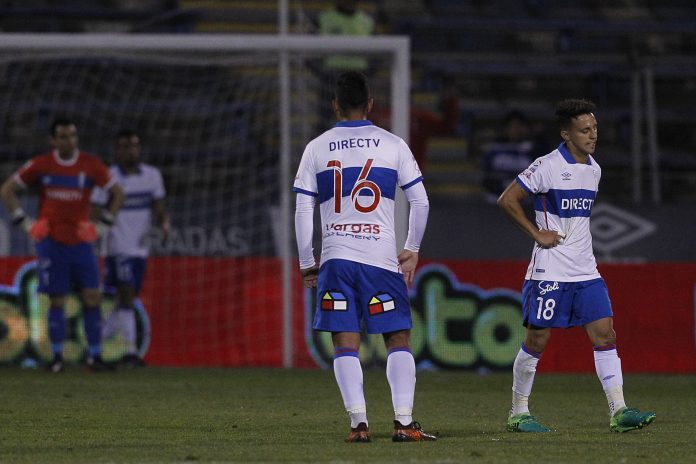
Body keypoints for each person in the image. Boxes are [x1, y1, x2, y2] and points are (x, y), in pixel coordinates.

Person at [497, 99, 656, 433]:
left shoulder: (594, 170)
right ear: (566, 134)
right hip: (550, 270)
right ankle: (518, 412)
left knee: (605, 333)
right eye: (585, 130)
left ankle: (619, 410)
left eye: (594, 128)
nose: (592, 135)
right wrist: (536, 232)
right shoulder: (547, 166)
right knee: (537, 340)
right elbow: (507, 200)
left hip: (586, 271)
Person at [293, 71, 436, 443]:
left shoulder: (317, 147)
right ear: (371, 104)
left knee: (344, 343)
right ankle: (403, 423)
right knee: (397, 338)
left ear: (335, 105)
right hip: (380, 260)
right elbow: (420, 201)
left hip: (336, 260)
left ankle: (359, 424)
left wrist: (307, 260)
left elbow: (303, 209)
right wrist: (413, 248)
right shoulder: (393, 144)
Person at [0, 117, 124, 373]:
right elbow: (7, 190)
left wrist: (103, 226)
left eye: (73, 136)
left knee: (92, 297)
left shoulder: (90, 164)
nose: (69, 141)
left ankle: (95, 357)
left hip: (81, 243)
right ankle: (56, 358)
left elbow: (118, 192)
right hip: (52, 242)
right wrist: (25, 223)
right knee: (57, 300)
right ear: (53, 140)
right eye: (64, 137)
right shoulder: (42, 164)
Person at [91, 129, 169, 367]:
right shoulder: (108, 177)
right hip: (117, 246)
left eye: (133, 146)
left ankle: (95, 345)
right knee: (126, 293)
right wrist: (97, 232)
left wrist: (164, 223)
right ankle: (130, 352)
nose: (130, 151)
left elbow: (158, 205)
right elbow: (94, 208)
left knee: (127, 298)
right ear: (117, 150)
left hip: (140, 248)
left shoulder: (152, 176)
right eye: (125, 146)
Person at [482, 110, 544, 202]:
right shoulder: (495, 149)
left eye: (519, 126)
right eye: (512, 126)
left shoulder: (534, 150)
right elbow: (486, 176)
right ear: (506, 129)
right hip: (497, 198)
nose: (516, 130)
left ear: (526, 128)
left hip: (527, 201)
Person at [318, 0, 375, 73]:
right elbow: (309, 52)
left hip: (360, 74)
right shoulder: (323, 19)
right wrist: (324, 74)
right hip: (331, 74)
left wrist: (368, 73)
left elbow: (380, 53)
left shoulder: (367, 21)